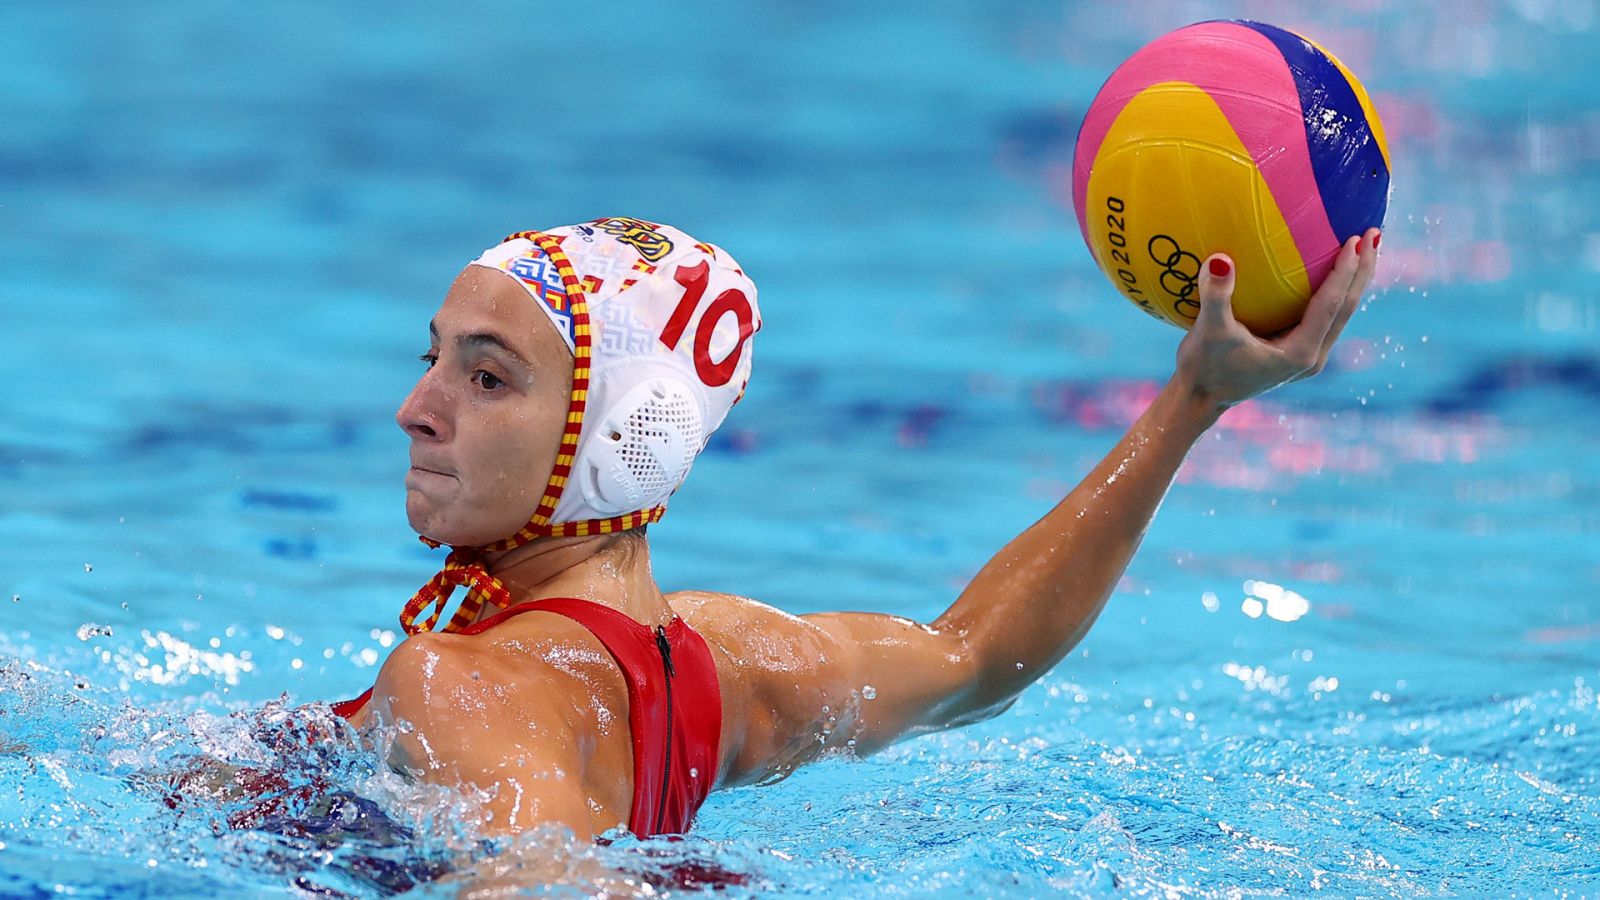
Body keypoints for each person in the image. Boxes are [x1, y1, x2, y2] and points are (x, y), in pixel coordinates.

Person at [337, 216, 1381, 842]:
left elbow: (534, 879)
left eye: (485, 377)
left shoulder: (459, 683)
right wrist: (1193, 399)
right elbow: (975, 655)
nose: (417, 408)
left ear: (618, 435)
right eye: (430, 359)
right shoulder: (727, 669)